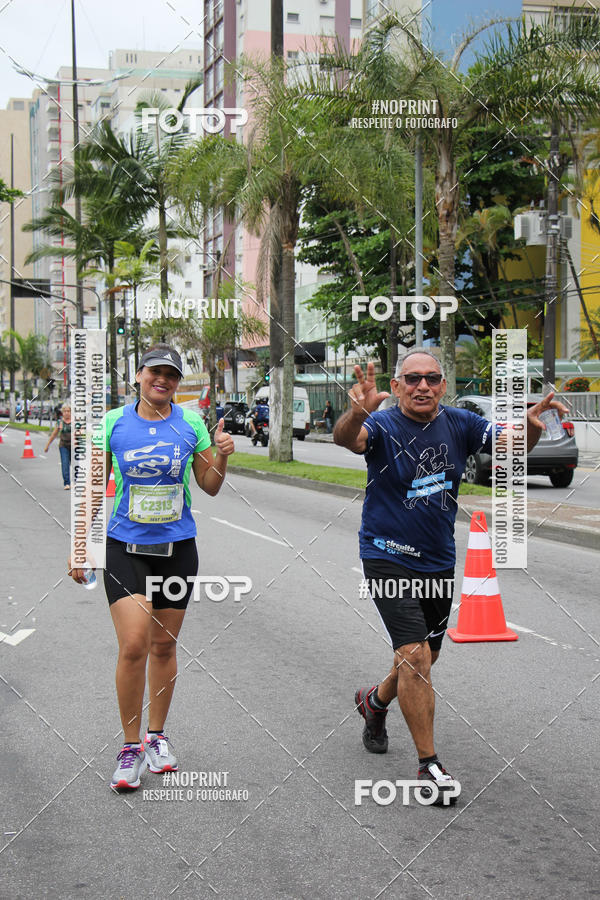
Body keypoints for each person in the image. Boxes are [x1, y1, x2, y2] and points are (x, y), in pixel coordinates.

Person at [334, 350, 567, 804]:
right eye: (413, 379)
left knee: (423, 659)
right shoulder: (381, 425)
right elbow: (350, 438)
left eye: (433, 378)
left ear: (443, 384)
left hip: (438, 560)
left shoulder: (461, 423)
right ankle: (429, 766)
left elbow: (511, 448)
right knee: (415, 657)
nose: (423, 386)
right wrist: (355, 411)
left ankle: (374, 703)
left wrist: (532, 427)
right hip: (386, 554)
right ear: (398, 386)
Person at [68, 344, 235, 791]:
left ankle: (156, 736)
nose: (163, 380)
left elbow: (209, 486)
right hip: (125, 547)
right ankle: (129, 747)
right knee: (134, 645)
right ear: (139, 375)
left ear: (177, 383)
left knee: (163, 647)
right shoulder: (113, 424)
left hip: (178, 549)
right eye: (155, 372)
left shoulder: (190, 424)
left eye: (172, 375)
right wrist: (80, 546)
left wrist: (221, 454)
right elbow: (89, 487)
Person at [44, 403, 72, 489]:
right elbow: (54, 435)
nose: (67, 413)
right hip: (63, 446)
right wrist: (47, 445)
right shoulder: (60, 422)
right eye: (65, 411)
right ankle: (67, 483)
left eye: (68, 411)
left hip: (74, 446)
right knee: (65, 464)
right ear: (62, 413)